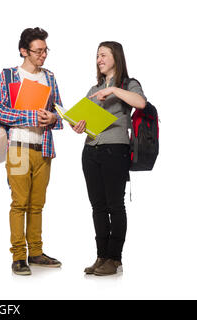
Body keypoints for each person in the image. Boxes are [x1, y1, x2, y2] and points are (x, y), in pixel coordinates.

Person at [0, 27, 64, 276]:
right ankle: (19, 256)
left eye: (45, 51)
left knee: (37, 204)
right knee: (19, 203)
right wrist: (31, 115)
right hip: (18, 148)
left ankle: (37, 252)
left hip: (43, 149)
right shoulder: (9, 76)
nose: (43, 55)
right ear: (24, 51)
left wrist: (53, 116)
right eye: (38, 51)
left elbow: (61, 115)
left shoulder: (50, 77)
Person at [71, 41, 147, 276]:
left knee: (115, 205)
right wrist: (77, 124)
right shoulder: (94, 88)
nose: (99, 60)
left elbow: (141, 103)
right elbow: (79, 118)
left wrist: (113, 90)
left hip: (115, 150)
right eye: (97, 56)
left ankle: (115, 259)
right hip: (91, 150)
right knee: (98, 207)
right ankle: (101, 256)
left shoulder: (129, 84)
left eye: (103, 55)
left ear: (116, 57)